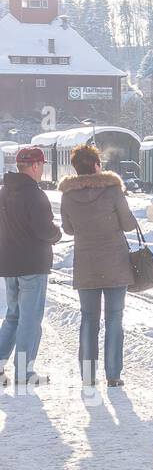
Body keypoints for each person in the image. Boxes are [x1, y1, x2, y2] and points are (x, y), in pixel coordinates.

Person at [58, 144, 136, 388]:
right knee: (114, 318)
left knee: (88, 319)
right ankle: (113, 375)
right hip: (116, 264)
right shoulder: (113, 191)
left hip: (86, 265)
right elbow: (128, 224)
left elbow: (68, 229)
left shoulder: (68, 195)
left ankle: (88, 375)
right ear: (96, 166)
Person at [0, 147, 62, 386]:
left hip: (8, 263)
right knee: (30, 318)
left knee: (13, 316)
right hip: (33, 265)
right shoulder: (35, 195)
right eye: (42, 165)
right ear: (35, 166)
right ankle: (24, 373)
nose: (43, 169)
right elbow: (44, 230)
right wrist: (56, 233)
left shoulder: (4, 192)